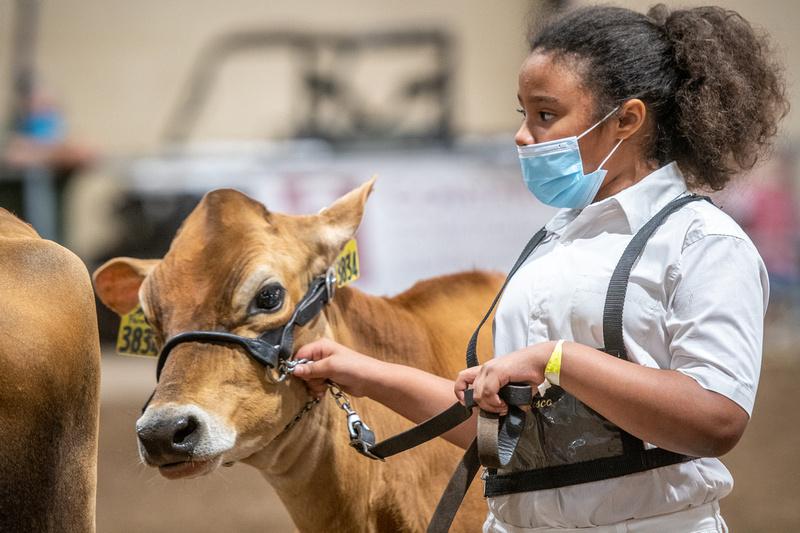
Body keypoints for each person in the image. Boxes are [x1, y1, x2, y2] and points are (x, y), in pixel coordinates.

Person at [292, 4, 789, 531]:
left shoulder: (701, 242)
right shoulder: (551, 243)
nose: (523, 136)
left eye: (545, 115)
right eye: (522, 114)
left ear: (627, 120)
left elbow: (716, 420)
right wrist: (363, 372)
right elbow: (511, 438)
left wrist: (558, 360)